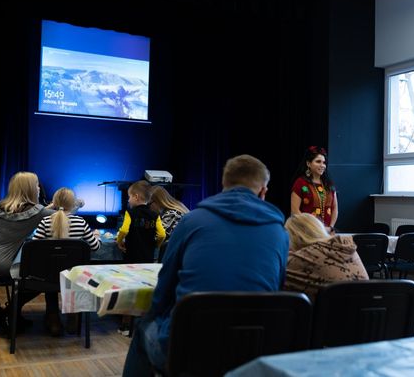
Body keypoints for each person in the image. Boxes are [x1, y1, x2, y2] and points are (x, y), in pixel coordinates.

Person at [122, 154, 289, 376]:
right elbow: (276, 290)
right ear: (263, 191)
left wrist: (157, 317)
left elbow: (164, 287)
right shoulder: (280, 233)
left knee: (144, 327)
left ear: (223, 184)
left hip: (190, 349)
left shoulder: (192, 222)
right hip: (251, 352)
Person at [0, 171, 55, 333]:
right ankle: (9, 312)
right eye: (36, 185)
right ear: (29, 188)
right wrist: (76, 203)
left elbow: (32, 213)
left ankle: (12, 313)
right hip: (1, 263)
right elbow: (64, 216)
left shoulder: (2, 206)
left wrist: (49, 207)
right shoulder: (38, 212)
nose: (39, 188)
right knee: (43, 276)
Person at [31, 187, 102, 336]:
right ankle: (73, 314)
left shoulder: (45, 221)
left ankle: (53, 319)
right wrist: (97, 236)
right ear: (73, 204)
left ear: (54, 203)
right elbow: (95, 247)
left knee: (51, 273)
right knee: (72, 271)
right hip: (74, 276)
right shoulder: (80, 222)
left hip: (48, 276)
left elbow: (33, 248)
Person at [283, 213, 368, 302]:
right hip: (365, 308)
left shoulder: (302, 258)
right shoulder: (348, 248)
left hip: (331, 310)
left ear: (294, 238)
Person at [116, 180, 166, 263]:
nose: (128, 200)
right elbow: (162, 234)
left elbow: (124, 230)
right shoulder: (155, 215)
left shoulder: (130, 213)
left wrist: (119, 241)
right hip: (148, 257)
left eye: (129, 197)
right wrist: (156, 245)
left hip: (131, 255)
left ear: (136, 197)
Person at [291, 145, 338, 233]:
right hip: (307, 233)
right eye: (318, 161)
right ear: (308, 164)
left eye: (324, 162)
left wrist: (330, 228)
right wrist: (312, 228)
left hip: (327, 233)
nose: (322, 165)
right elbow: (295, 211)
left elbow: (335, 208)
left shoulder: (329, 184)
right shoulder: (300, 183)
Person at [149, 185, 189, 261]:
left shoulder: (173, 214)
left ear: (158, 201)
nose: (149, 208)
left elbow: (158, 237)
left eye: (149, 204)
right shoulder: (174, 209)